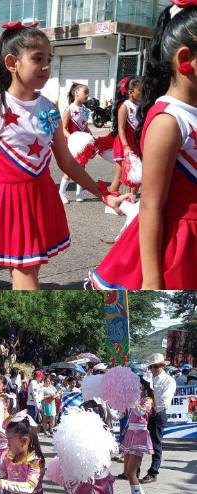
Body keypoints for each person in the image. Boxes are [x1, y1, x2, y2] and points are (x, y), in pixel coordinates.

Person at [0, 22, 127, 290]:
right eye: (37, 59)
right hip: (10, 202)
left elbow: (67, 162)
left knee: (26, 271)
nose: (46, 66)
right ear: (12, 62)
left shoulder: (49, 108)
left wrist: (103, 193)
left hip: (42, 197)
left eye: (48, 59)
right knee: (26, 275)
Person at [90, 4, 197, 290]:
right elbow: (150, 207)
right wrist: (151, 281)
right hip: (178, 247)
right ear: (186, 59)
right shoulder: (168, 120)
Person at [117, 377, 156, 494]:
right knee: (127, 472)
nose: (135, 388)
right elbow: (122, 414)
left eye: (137, 385)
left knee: (132, 473)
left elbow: (141, 412)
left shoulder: (148, 400)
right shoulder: (134, 399)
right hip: (130, 434)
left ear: (144, 386)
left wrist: (132, 400)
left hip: (140, 435)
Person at [143, 352, 177, 483]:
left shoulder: (169, 380)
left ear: (162, 366)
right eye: (151, 367)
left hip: (157, 414)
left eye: (156, 366)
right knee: (140, 443)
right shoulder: (149, 379)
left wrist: (148, 406)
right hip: (146, 413)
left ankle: (153, 472)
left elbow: (164, 400)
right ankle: (134, 470)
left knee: (156, 443)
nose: (153, 369)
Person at [109, 77, 143, 196]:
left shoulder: (142, 106)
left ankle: (131, 201)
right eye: (140, 90)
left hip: (136, 144)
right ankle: (110, 202)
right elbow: (121, 128)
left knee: (137, 175)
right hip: (124, 145)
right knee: (119, 176)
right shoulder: (125, 106)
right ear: (130, 92)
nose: (143, 93)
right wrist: (126, 146)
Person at [58, 83, 91, 203]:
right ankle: (61, 193)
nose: (87, 95)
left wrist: (91, 138)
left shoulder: (85, 110)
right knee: (70, 169)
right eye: (85, 92)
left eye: (88, 92)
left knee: (82, 168)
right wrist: (73, 138)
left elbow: (85, 127)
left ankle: (78, 193)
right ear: (76, 93)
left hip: (82, 143)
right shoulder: (69, 109)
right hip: (72, 143)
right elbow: (63, 128)